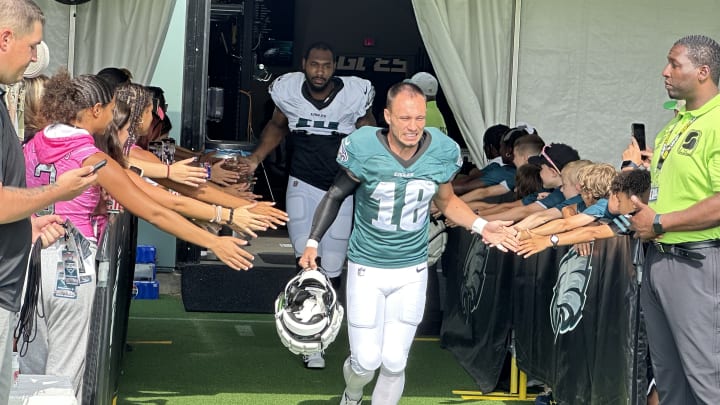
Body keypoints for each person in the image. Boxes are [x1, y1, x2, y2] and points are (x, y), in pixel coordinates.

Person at [20, 72, 254, 399]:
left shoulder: (33, 142)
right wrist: (214, 240)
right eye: (111, 107)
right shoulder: (94, 158)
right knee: (65, 373)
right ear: (96, 110)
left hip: (28, 257)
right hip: (71, 266)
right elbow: (152, 209)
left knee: (30, 371)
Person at [298, 82, 516, 405]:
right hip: (366, 268)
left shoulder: (441, 151)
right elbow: (336, 194)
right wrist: (313, 241)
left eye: (418, 118)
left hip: (411, 269)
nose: (413, 126)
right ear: (387, 116)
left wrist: (482, 226)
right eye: (404, 118)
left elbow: (447, 200)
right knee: (366, 361)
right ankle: (353, 393)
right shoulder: (365, 148)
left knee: (395, 360)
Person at [245, 42, 376, 368]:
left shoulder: (354, 95)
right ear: (304, 64)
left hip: (341, 187)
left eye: (326, 65)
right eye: (315, 64)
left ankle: (325, 328)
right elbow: (277, 127)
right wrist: (255, 159)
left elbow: (371, 136)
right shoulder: (288, 90)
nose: (320, 71)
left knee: (332, 264)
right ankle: (308, 336)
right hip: (302, 184)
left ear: (335, 66)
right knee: (306, 259)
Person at [0, 1, 98, 402]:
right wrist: (58, 192)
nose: (34, 60)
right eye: (32, 46)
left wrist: (28, 223)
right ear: (6, 38)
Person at [628, 34, 720, 405]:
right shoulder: (674, 124)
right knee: (670, 378)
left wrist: (662, 221)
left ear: (702, 72)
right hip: (660, 259)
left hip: (697, 262)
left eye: (674, 64)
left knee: (707, 375)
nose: (665, 72)